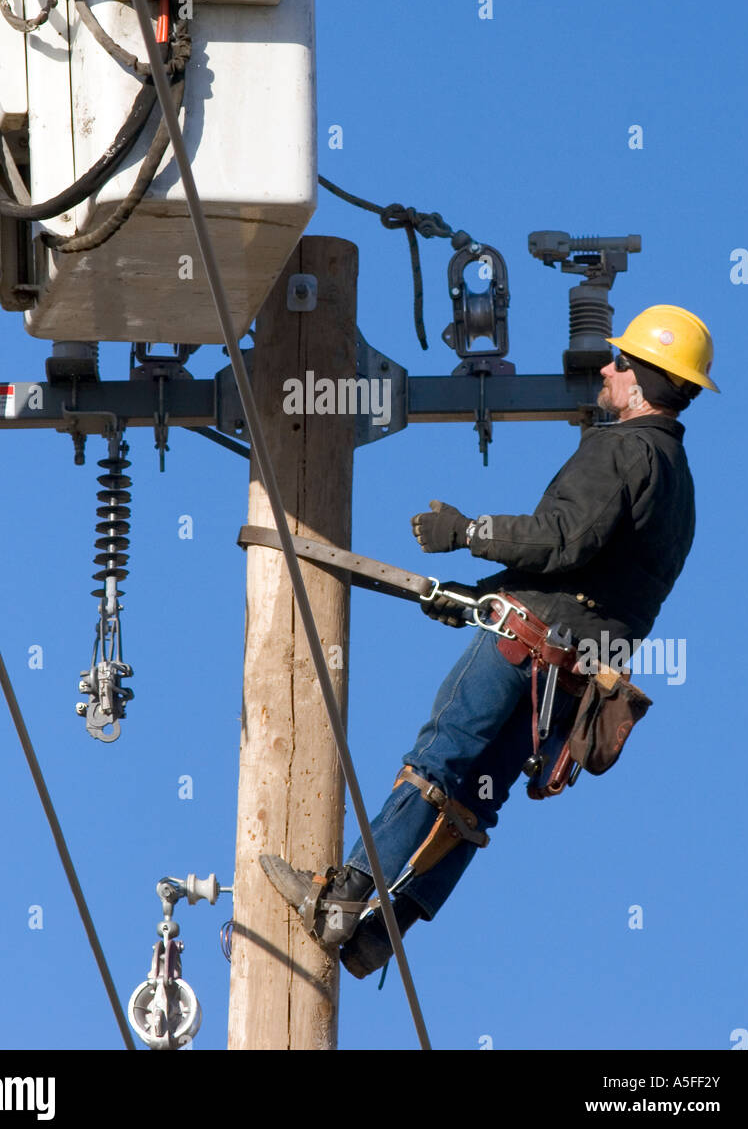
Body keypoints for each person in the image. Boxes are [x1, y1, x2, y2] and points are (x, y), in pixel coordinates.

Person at [260, 305, 719, 977]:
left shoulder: (623, 448)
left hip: (521, 651)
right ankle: (377, 939)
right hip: (571, 686)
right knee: (473, 804)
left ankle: (343, 900)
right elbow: (594, 574)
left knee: (437, 766)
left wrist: (468, 532)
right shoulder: (679, 484)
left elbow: (561, 540)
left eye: (621, 362)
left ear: (645, 380)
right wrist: (482, 597)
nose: (606, 367)